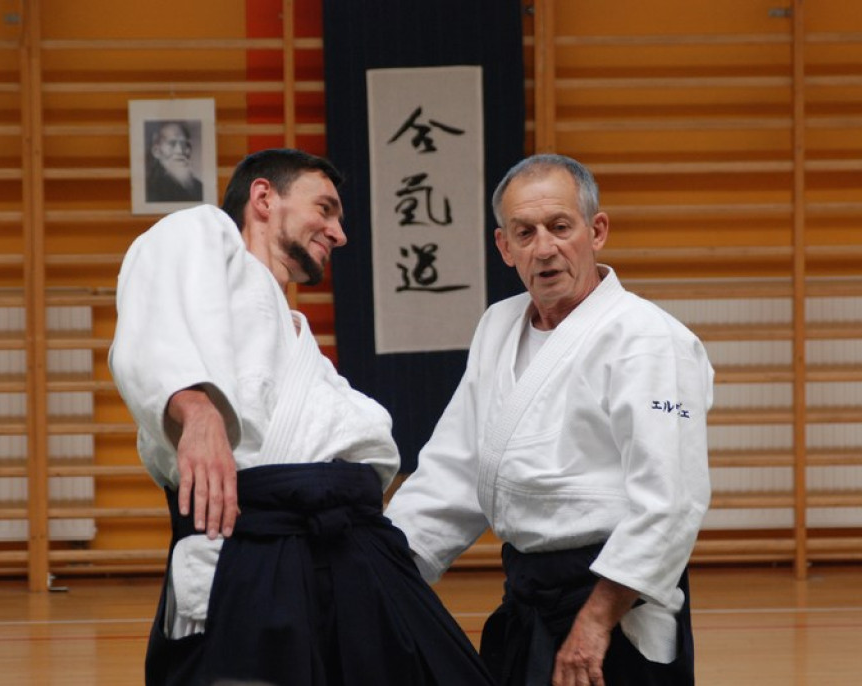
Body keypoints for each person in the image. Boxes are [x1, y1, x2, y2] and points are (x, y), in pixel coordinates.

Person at [109, 148, 494, 686]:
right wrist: (196, 410)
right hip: (257, 550)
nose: (339, 233)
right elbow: (151, 324)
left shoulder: (301, 346)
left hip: (353, 553)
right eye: (327, 209)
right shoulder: (198, 232)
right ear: (264, 197)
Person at [385, 154, 713, 686]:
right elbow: (456, 468)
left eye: (561, 227)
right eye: (525, 232)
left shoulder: (648, 339)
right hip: (528, 596)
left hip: (615, 606)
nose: (545, 248)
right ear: (504, 246)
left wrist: (596, 621)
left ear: (596, 230)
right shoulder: (498, 326)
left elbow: (672, 501)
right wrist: (387, 569)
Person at [145, 121, 204, 202]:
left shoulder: (199, 187)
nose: (180, 151)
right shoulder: (150, 189)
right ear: (156, 151)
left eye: (185, 144)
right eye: (172, 143)